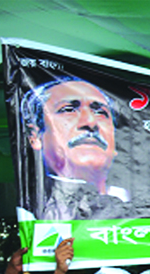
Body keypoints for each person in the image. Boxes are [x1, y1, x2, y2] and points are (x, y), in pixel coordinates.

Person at [20, 77, 129, 220]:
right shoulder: (28, 217)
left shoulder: (149, 209)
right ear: (35, 136)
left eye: (101, 112)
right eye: (68, 110)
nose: (90, 122)